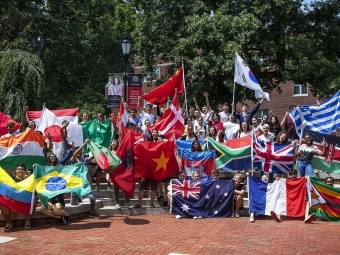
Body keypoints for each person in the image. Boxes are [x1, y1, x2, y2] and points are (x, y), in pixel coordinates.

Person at [1, 164, 38, 232]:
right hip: (12, 202)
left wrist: (36, 168)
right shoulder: (10, 180)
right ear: (15, 171)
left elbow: (33, 193)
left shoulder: (29, 182)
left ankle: (28, 220)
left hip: (23, 202)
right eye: (19, 169)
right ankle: (9, 222)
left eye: (23, 169)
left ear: (25, 172)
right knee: (3, 204)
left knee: (35, 199)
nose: (21, 170)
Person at [69, 139, 99, 218]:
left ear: (82, 152)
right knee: (72, 204)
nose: (79, 152)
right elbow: (75, 153)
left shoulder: (85, 160)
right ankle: (78, 198)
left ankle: (91, 212)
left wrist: (100, 150)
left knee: (92, 198)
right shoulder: (73, 160)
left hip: (84, 185)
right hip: (75, 186)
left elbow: (94, 156)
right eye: (78, 151)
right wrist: (84, 143)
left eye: (81, 151)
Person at [133, 130, 163, 209]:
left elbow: (167, 145)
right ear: (151, 134)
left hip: (156, 168)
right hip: (147, 168)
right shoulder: (147, 141)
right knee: (142, 187)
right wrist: (138, 144)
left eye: (155, 132)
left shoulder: (161, 141)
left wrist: (164, 141)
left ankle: (151, 203)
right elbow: (142, 146)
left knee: (154, 188)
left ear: (157, 133)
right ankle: (139, 203)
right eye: (153, 132)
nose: (154, 133)